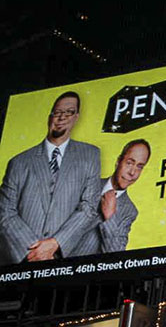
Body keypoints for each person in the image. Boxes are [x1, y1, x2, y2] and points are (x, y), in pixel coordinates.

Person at [0, 91, 101, 264]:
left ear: (76, 117)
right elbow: (5, 210)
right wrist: (33, 251)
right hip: (20, 262)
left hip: (66, 262)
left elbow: (89, 207)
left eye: (68, 112)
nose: (61, 117)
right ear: (50, 117)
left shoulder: (90, 154)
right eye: (57, 112)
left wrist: (56, 244)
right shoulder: (19, 162)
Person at [70, 139, 150, 256]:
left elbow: (116, 255)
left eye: (139, 167)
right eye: (129, 163)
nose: (132, 172)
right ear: (118, 161)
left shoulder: (130, 211)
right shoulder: (86, 183)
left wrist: (110, 217)